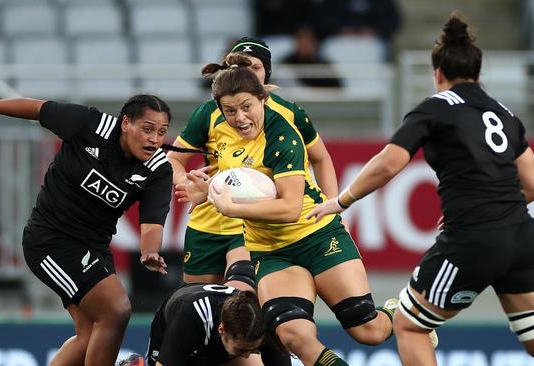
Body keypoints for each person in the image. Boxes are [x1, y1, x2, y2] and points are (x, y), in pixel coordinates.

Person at [307, 12, 534, 366]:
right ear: (478, 73)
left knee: (409, 326)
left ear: (437, 74)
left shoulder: (435, 109)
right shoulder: (503, 113)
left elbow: (388, 163)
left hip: (473, 238)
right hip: (523, 236)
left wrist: (341, 200)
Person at [175, 54, 408, 366]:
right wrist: (208, 189)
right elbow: (239, 177)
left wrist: (231, 207)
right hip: (270, 251)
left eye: (247, 107)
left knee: (368, 330)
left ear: (263, 98)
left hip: (315, 237)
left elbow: (289, 207)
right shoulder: (222, 134)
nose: (240, 117)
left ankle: (401, 310)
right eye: (230, 111)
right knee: (294, 336)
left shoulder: (283, 134)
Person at [0, 95, 173, 366]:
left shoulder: (158, 169)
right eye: (148, 129)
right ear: (126, 123)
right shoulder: (89, 125)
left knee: (90, 332)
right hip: (49, 240)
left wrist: (149, 251)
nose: (154, 139)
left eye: (161, 132)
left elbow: (152, 223)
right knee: (116, 309)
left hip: (94, 248)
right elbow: (36, 109)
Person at [166, 36, 338, 288]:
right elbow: (173, 160)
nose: (250, 75)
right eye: (242, 69)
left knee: (240, 297)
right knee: (199, 301)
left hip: (253, 226)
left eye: (256, 68)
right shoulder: (209, 112)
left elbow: (321, 159)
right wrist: (187, 183)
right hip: (208, 221)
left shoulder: (289, 114)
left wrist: (331, 209)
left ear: (267, 72)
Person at [127, 282, 269, 366]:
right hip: (178, 326)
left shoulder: (259, 325)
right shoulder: (190, 318)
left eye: (252, 349)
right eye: (241, 350)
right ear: (222, 329)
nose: (247, 355)